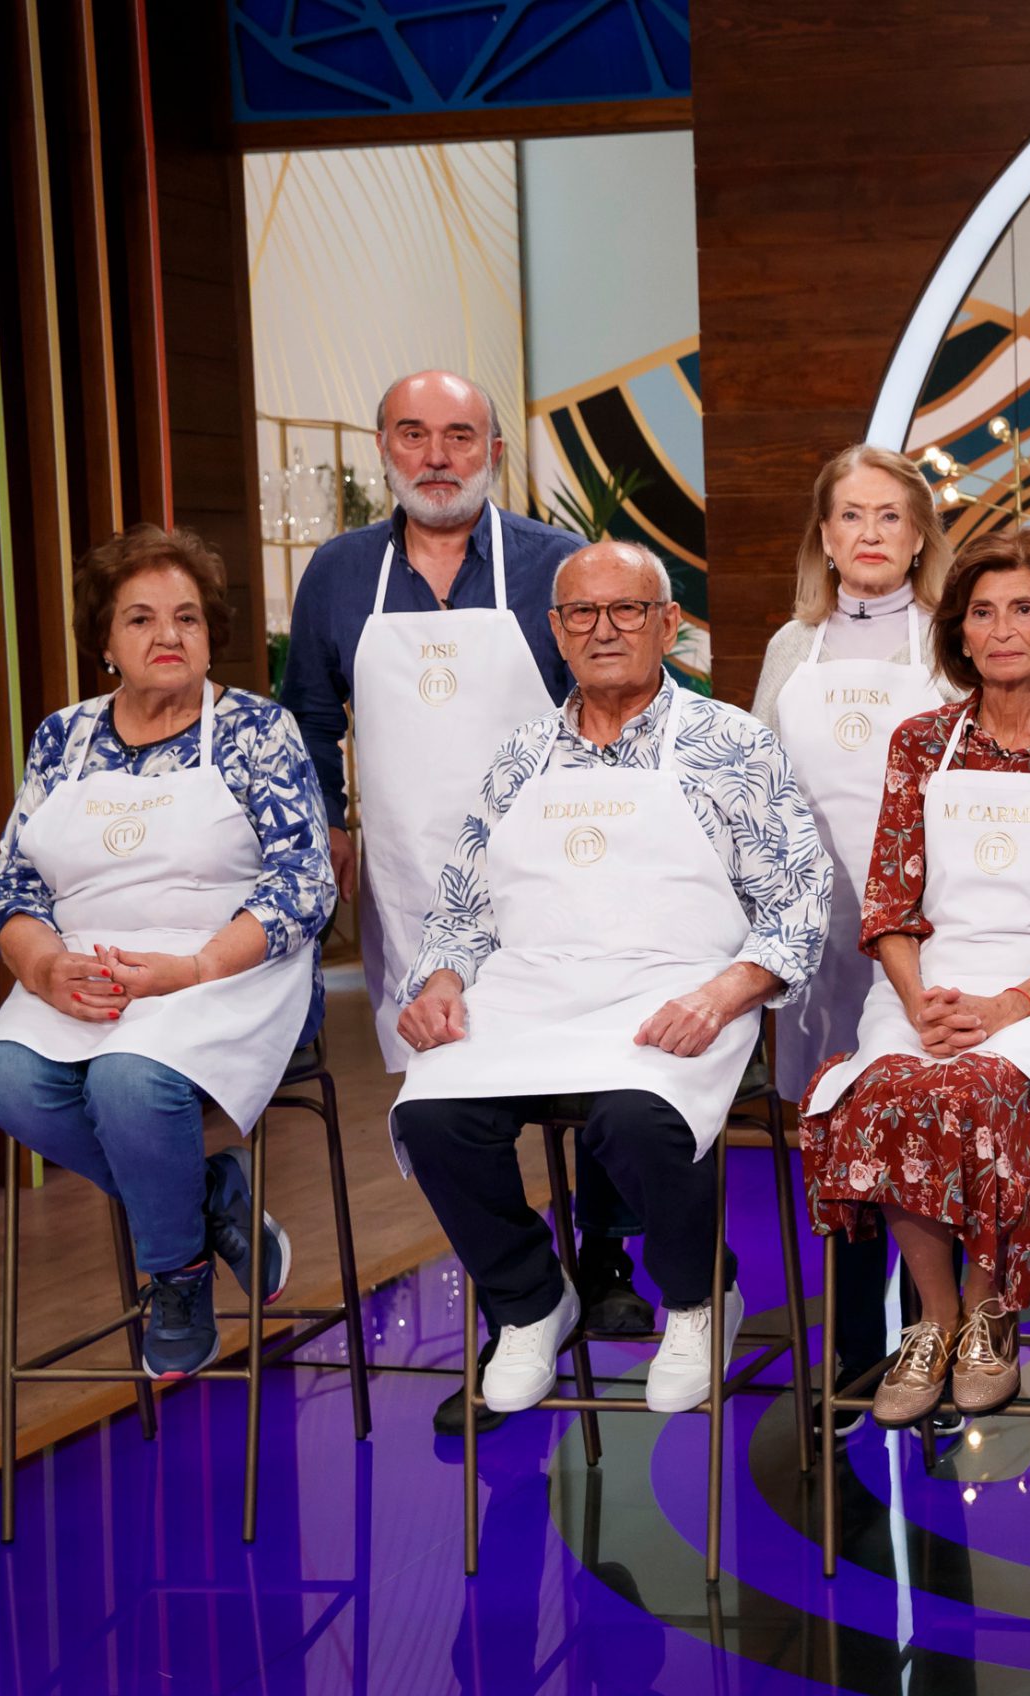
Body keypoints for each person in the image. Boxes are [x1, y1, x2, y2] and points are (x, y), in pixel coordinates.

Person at [282, 370, 649, 1431]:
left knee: (590, 1061)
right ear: (383, 447)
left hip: (562, 864)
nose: (435, 454)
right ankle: (521, 1300)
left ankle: (607, 1252)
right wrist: (332, 824)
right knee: (451, 1100)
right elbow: (309, 713)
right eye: (412, 433)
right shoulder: (342, 572)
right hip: (410, 869)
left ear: (493, 446)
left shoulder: (547, 562)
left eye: (457, 434)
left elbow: (616, 692)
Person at [391, 541, 832, 1417]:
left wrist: (725, 993)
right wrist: (441, 979)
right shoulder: (519, 757)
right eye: (581, 614)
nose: (604, 630)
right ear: (556, 632)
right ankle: (528, 1303)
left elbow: (800, 897)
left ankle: (700, 1300)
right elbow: (463, 907)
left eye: (627, 609)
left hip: (677, 993)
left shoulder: (730, 743)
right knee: (431, 1110)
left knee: (640, 1116)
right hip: (531, 995)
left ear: (669, 623)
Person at [0, 526, 333, 1378]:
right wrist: (43, 967)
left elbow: (305, 884)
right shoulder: (62, 738)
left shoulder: (256, 730)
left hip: (231, 966)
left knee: (129, 1078)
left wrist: (196, 968)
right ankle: (207, 1202)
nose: (168, 636)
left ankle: (175, 1274)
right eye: (140, 619)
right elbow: (12, 888)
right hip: (85, 970)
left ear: (211, 634)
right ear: (105, 641)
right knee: (0, 1077)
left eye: (187, 618)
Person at [801, 529, 1030, 1428]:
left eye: (1022, 608)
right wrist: (921, 1004)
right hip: (929, 985)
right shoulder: (920, 744)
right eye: (981, 612)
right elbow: (890, 903)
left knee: (983, 1092)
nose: (1001, 629)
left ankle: (990, 1314)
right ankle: (934, 1320)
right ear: (961, 630)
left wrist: (1003, 1010)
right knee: (887, 1091)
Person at [751, 444, 951, 1432]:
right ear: (824, 537)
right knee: (831, 1135)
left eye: (888, 517)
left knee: (916, 1134)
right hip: (812, 936)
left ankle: (933, 1342)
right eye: (850, 517)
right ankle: (851, 1353)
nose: (868, 535)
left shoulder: (948, 642)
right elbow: (749, 786)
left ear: (918, 536)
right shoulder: (793, 647)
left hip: (927, 934)